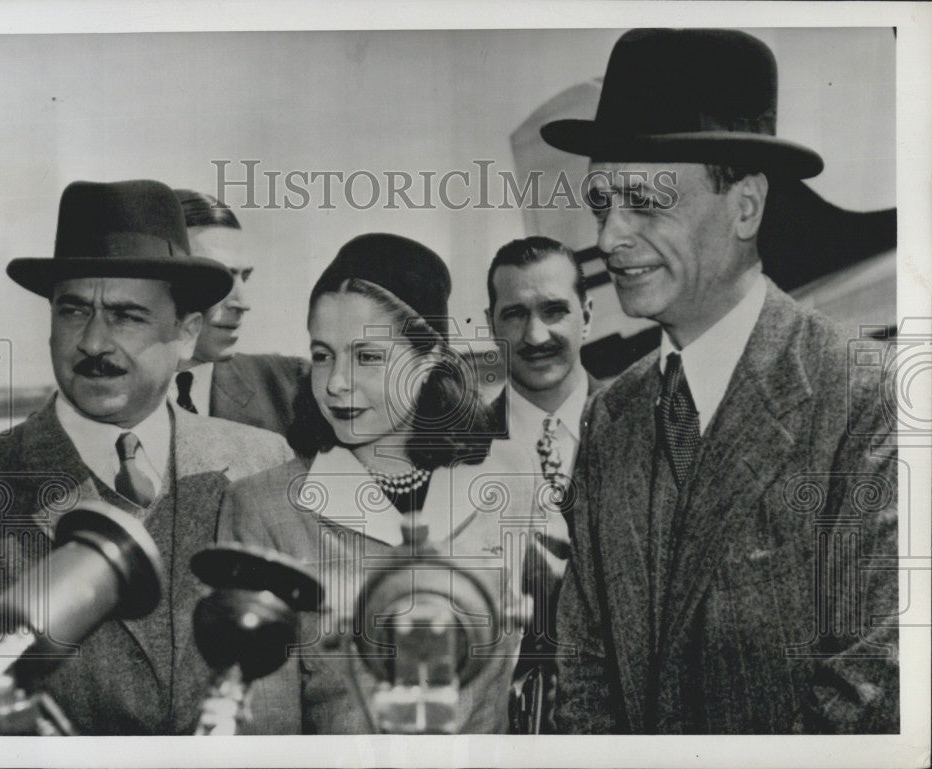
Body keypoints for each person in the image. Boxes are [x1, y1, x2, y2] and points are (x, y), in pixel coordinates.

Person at [540, 28, 898, 733]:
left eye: (644, 202)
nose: (610, 237)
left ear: (745, 206)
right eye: (602, 202)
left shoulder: (863, 398)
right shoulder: (612, 416)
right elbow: (583, 671)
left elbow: (869, 688)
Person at [0, 179, 293, 735]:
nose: (94, 343)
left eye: (126, 316)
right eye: (73, 311)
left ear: (188, 333)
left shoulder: (263, 464)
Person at [216, 233, 541, 734]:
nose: (336, 383)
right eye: (323, 355)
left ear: (430, 360)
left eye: (367, 357)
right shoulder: (262, 509)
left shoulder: (510, 483)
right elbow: (265, 727)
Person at [484, 236, 601, 732]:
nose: (535, 335)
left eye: (554, 310)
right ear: (491, 324)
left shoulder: (652, 426)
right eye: (514, 315)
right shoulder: (453, 457)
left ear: (587, 314)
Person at [169, 189, 308, 436]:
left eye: (245, 276)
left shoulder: (290, 388)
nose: (242, 302)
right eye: (218, 277)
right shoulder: (99, 391)